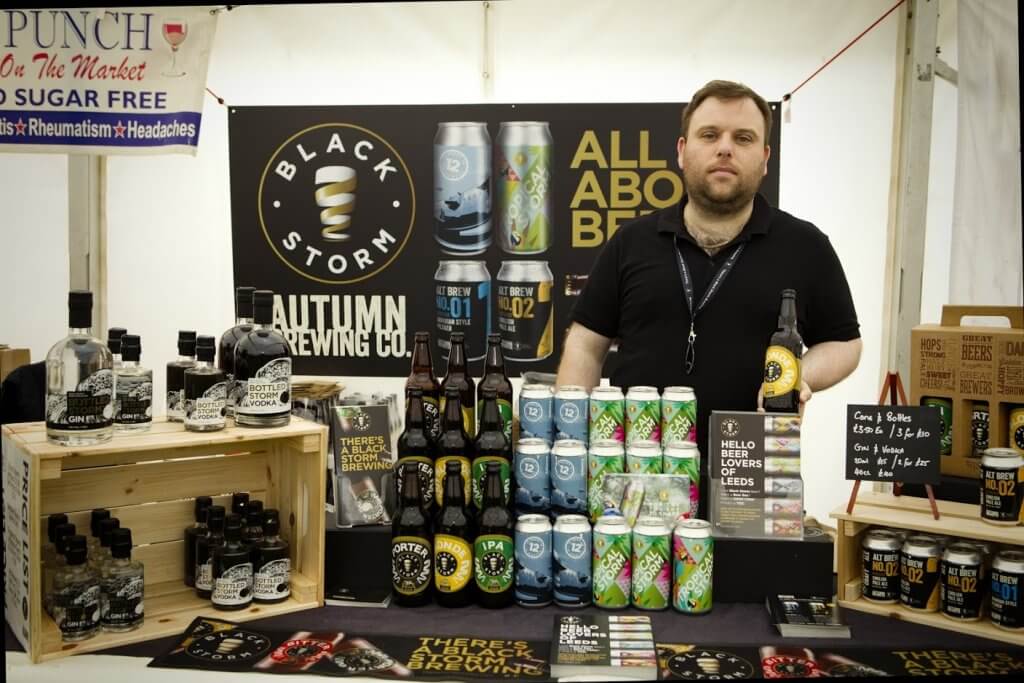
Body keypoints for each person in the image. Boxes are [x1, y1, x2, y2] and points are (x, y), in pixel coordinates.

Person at [557, 80, 862, 514]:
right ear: (682, 151)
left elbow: (846, 343)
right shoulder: (632, 242)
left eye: (743, 138)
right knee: (636, 582)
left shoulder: (805, 246)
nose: (725, 149)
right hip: (635, 471)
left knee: (748, 581)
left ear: (765, 158)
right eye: (709, 135)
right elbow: (586, 345)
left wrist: (800, 375)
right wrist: (573, 446)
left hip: (754, 469)